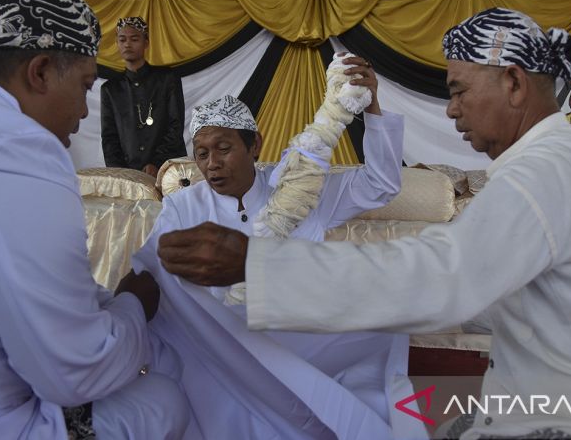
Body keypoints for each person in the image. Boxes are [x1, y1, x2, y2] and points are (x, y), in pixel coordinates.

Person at [157, 7, 571, 439]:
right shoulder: (556, 161)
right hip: (545, 390)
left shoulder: (544, 173)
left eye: (457, 91)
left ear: (513, 82)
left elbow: (440, 277)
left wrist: (256, 267)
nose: (451, 110)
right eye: (203, 152)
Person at [0, 0, 188, 439]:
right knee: (162, 399)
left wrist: (107, 305)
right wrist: (135, 305)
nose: (83, 110)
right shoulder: (17, 151)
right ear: (40, 72)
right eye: (83, 86)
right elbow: (77, 372)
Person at [133, 67, 429, 439]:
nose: (212, 163)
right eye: (202, 153)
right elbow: (150, 269)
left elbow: (381, 185)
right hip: (221, 345)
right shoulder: (184, 207)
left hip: (297, 333)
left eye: (224, 149)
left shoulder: (298, 185)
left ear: (254, 144)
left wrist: (372, 108)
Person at [101, 16, 187, 177]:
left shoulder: (167, 79)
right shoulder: (110, 89)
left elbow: (175, 126)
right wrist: (121, 173)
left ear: (146, 43)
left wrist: (156, 162)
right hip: (128, 174)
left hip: (168, 169)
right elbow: (109, 138)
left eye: (134, 39)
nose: (127, 44)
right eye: (122, 39)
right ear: (117, 44)